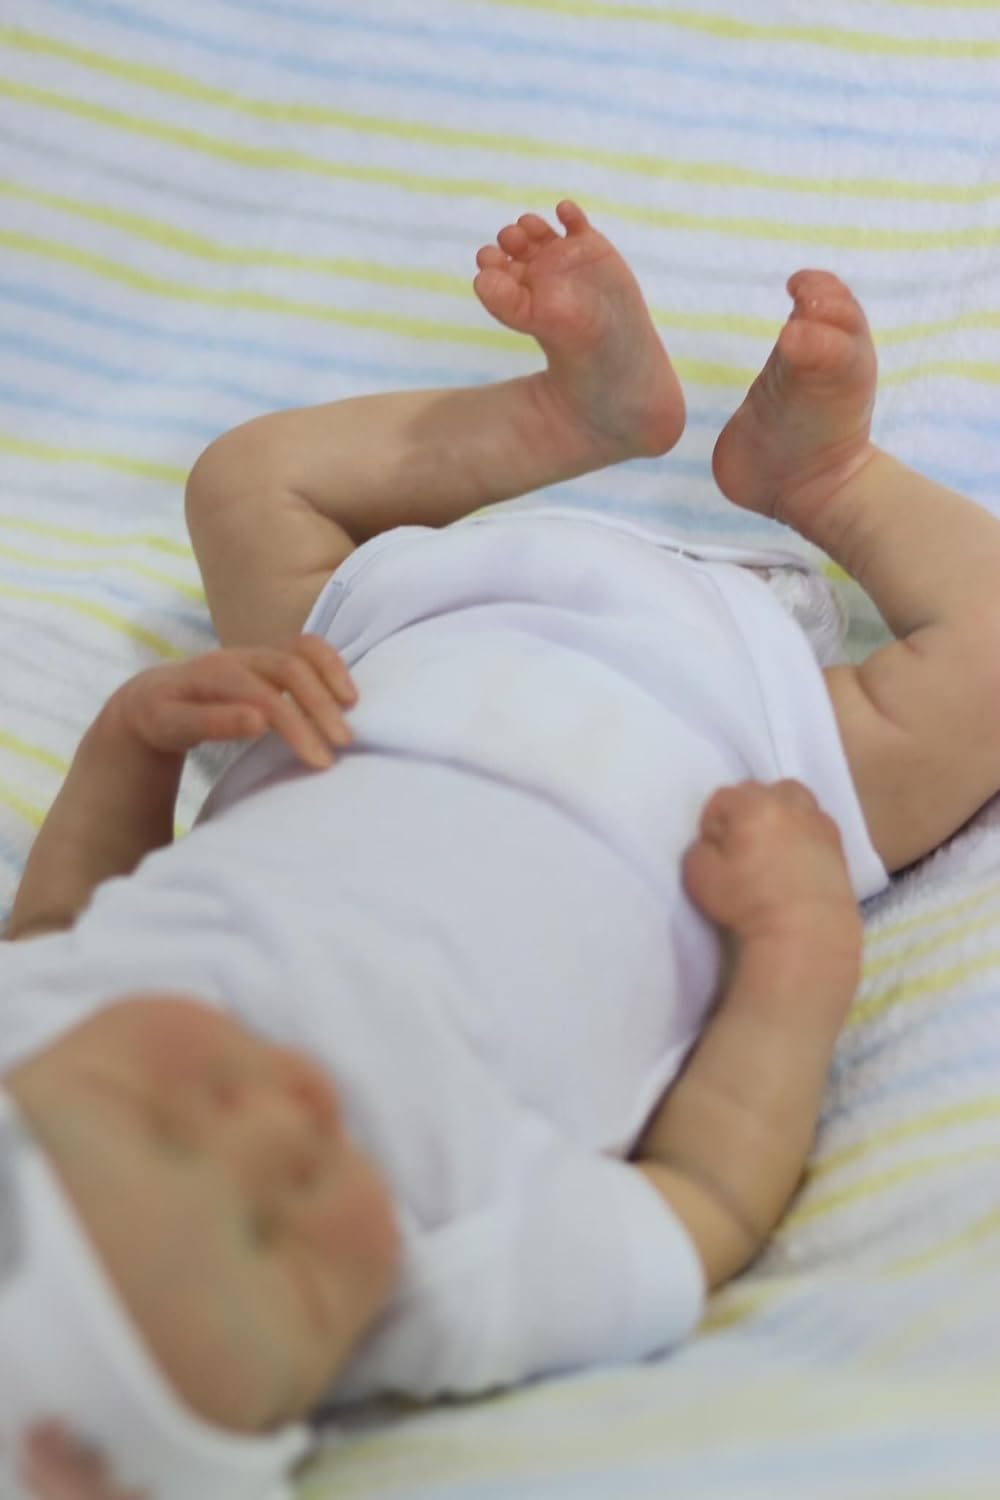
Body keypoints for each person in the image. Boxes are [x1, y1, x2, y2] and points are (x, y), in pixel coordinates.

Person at [2, 199, 999, 1500]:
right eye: (289, 1240)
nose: (282, 1123)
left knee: (243, 484)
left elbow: (53, 929)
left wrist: (134, 744)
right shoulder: (461, 1285)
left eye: (174, 1119)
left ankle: (571, 416)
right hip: (732, 747)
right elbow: (703, 1200)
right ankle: (829, 480)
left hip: (376, 655)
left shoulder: (31, 1026)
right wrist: (795, 956)